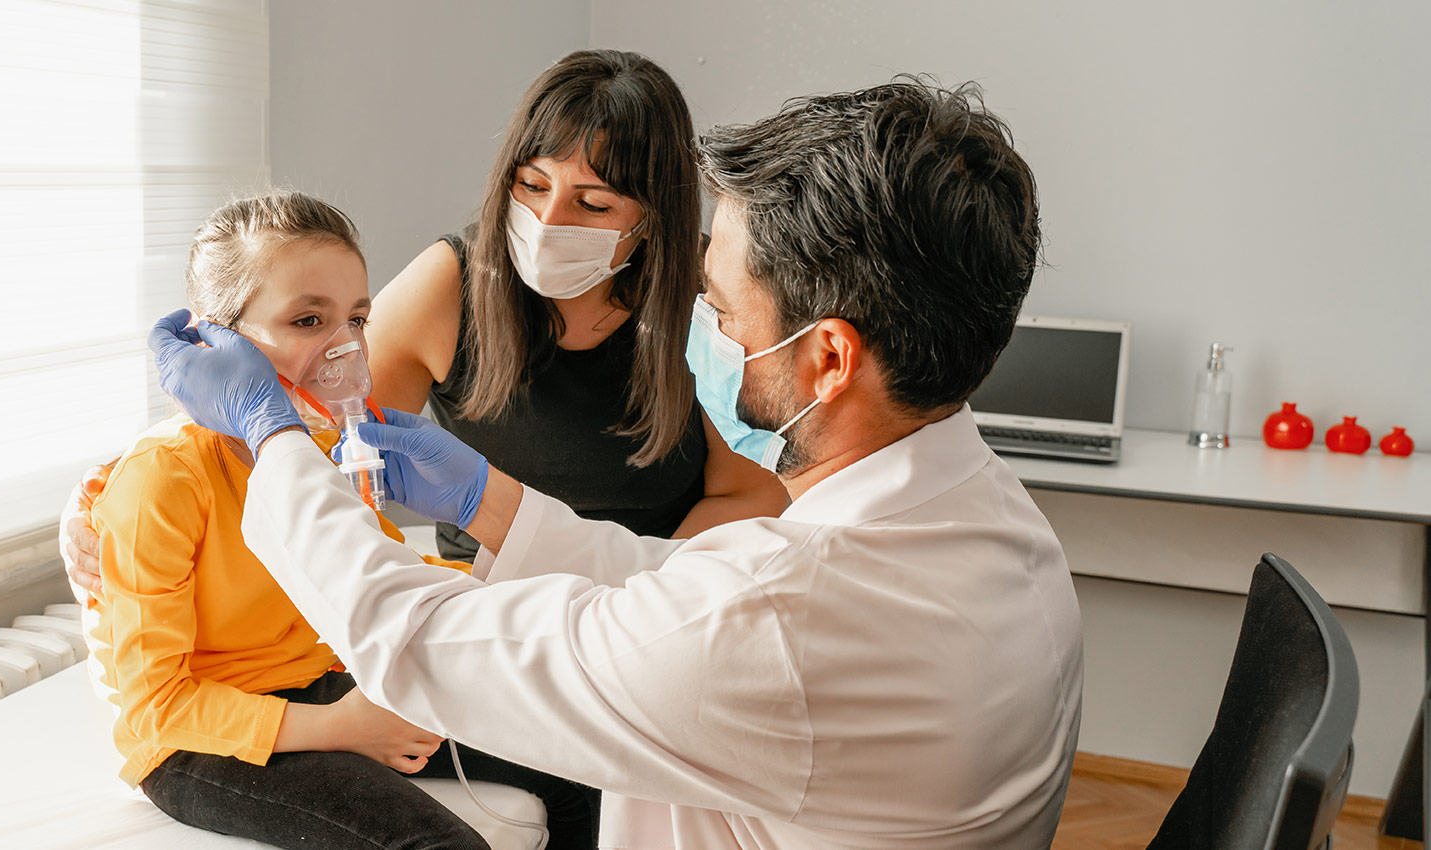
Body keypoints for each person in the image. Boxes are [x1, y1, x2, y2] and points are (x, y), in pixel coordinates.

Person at [146, 79, 1084, 849]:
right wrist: (487, 500)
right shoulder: (993, 518)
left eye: (719, 308)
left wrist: (268, 432)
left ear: (827, 358)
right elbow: (686, 589)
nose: (697, 328)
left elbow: (417, 643)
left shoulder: (774, 618)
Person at [61, 49, 787, 591]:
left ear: (653, 216)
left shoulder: (709, 298)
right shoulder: (455, 285)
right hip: (494, 601)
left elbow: (757, 490)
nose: (548, 221)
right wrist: (121, 487)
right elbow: (298, 412)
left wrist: (645, 585)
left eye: (593, 204)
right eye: (531, 185)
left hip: (658, 594)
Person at [88, 190, 598, 850]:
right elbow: (156, 706)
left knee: (585, 768)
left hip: (324, 683)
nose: (346, 348)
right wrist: (343, 726)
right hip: (203, 739)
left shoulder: (323, 451)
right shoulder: (165, 477)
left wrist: (508, 596)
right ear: (217, 343)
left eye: (356, 319)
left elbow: (382, 580)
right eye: (308, 320)